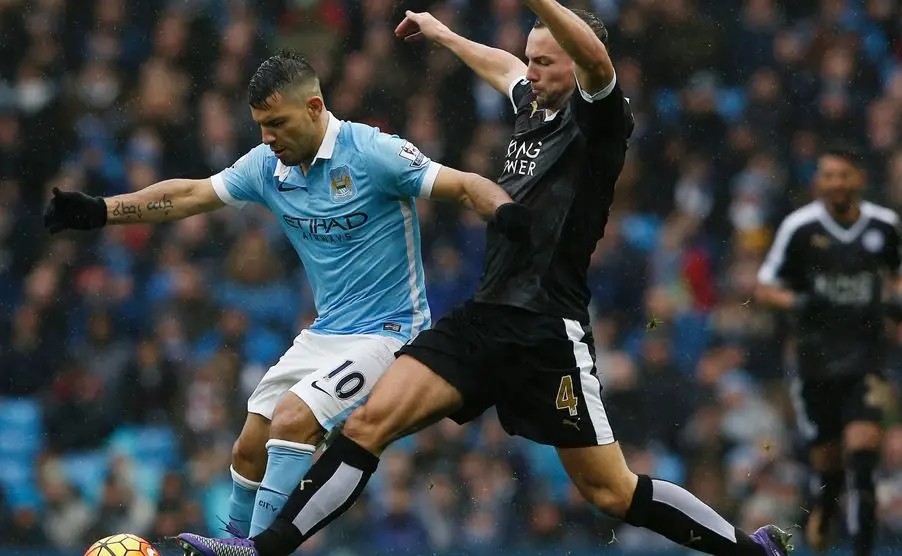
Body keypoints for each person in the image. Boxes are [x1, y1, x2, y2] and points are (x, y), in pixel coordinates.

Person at [176, 3, 792, 556]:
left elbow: (597, 60)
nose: (531, 72)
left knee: (612, 492)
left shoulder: (600, 117)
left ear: (576, 64)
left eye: (545, 62)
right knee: (366, 425)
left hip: (547, 330)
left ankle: (751, 551)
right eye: (531, 58)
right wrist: (444, 34)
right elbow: (503, 67)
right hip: (483, 317)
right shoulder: (534, 103)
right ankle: (261, 550)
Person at [43, 50, 530, 540]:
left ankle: (256, 551)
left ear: (314, 107)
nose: (266, 138)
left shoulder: (372, 152)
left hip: (390, 331)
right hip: (326, 332)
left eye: (276, 123)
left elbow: (464, 185)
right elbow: (190, 195)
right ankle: (234, 543)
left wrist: (505, 212)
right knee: (249, 447)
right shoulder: (268, 167)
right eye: (260, 125)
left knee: (294, 418)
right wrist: (102, 210)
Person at [753, 148, 902, 556]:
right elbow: (764, 287)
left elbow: (900, 276)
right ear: (818, 182)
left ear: (859, 179)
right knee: (831, 469)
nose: (837, 183)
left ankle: (863, 550)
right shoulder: (799, 228)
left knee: (863, 458)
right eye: (829, 175)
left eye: (844, 174)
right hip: (816, 362)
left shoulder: (885, 226)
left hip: (866, 357)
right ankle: (825, 503)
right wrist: (798, 302)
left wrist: (898, 301)